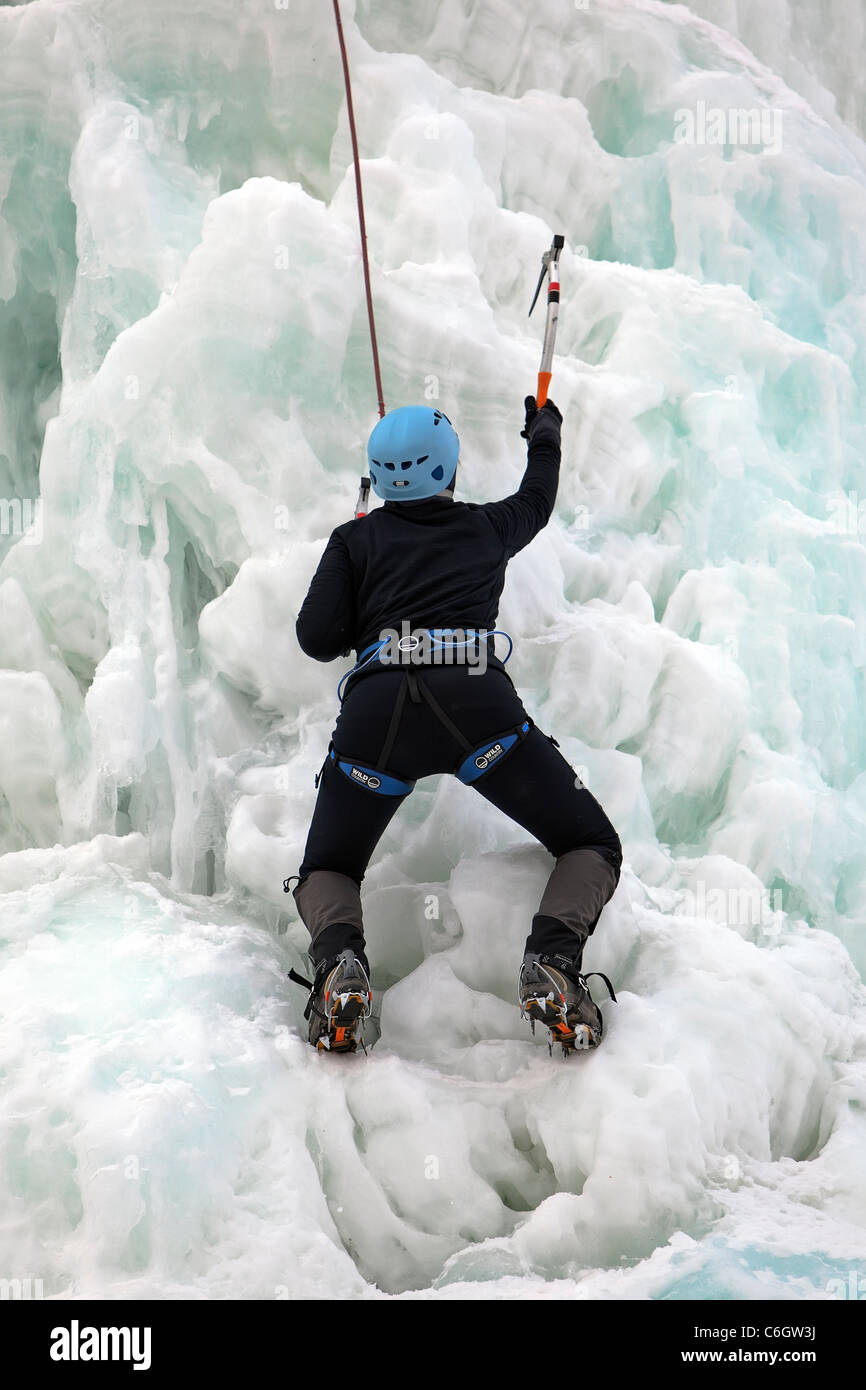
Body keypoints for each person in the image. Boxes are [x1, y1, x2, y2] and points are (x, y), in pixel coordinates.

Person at [288, 398, 622, 1054]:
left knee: (330, 865)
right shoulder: (487, 528)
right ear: (448, 468)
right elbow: (538, 496)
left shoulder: (355, 542)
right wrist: (545, 433)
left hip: (378, 718)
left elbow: (316, 637)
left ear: (379, 478)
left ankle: (339, 969)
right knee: (591, 842)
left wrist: (360, 572)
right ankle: (552, 962)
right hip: (474, 705)